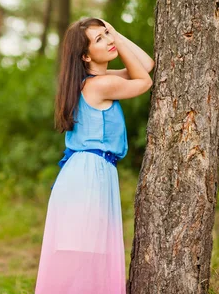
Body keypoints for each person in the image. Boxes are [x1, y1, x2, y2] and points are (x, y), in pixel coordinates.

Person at [34, 17, 154, 294]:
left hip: (88, 172)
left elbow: (146, 65)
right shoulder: (100, 86)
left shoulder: (100, 81)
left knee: (89, 257)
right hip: (88, 175)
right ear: (86, 55)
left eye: (106, 34)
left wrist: (114, 33)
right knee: (86, 258)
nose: (109, 40)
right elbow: (144, 81)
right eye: (99, 39)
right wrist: (116, 37)